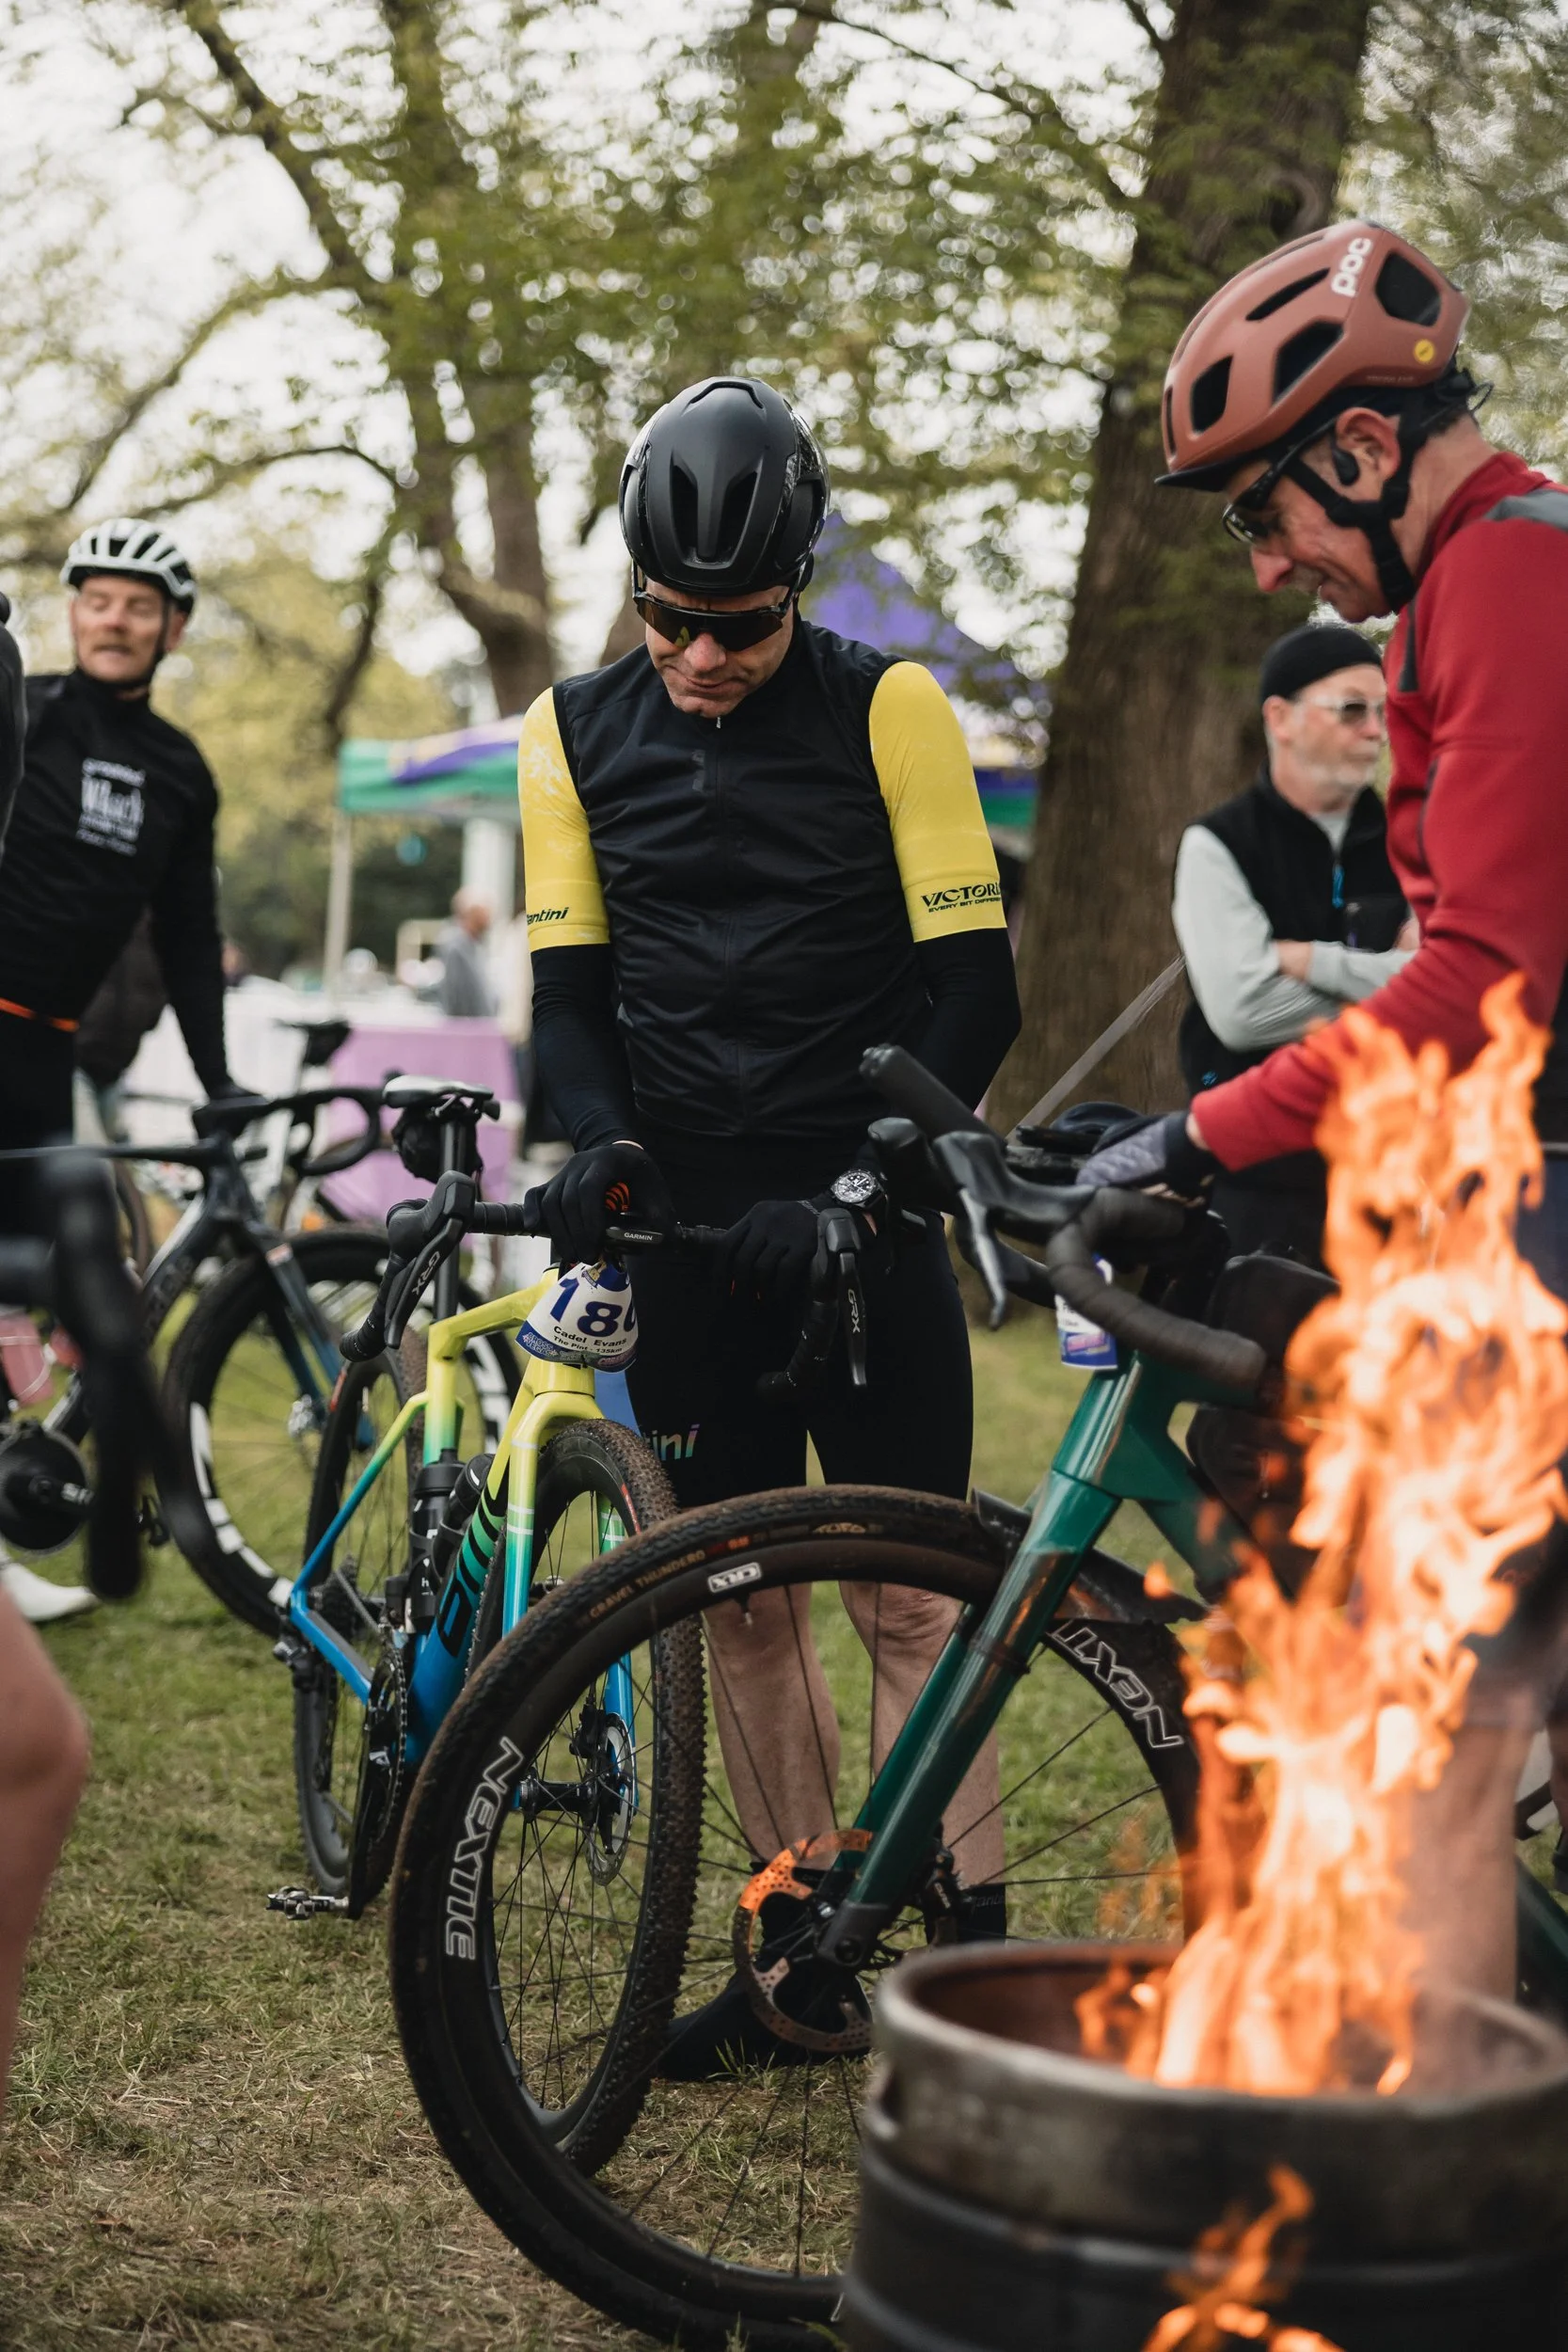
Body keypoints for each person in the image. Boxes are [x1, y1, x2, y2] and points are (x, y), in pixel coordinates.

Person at [1077, 216, 1568, 1998]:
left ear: (1360, 447)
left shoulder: (1502, 574)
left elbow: (1481, 981)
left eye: (1261, 514)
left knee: (1434, 1717)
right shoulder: (1493, 569)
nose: (1272, 566)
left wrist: (1190, 1132)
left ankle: (1426, 2124)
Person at [520, 375, 1021, 2065]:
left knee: (907, 1599)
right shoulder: (567, 730)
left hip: (855, 1208)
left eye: (734, 626)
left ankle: (967, 1972)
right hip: (691, 1232)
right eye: (666, 618)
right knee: (738, 1601)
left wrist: (863, 1185)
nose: (697, 656)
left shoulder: (892, 707)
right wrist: (601, 1141)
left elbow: (976, 992)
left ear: (795, 587)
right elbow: (569, 999)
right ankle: (796, 1968)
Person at [0, 519, 236, 1624]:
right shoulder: (29, 708)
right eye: (97, 598)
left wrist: (220, 1082)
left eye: (140, 605)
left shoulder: (182, 773)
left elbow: (190, 940)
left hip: (46, 1052)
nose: (115, 619)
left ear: (172, 629)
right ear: (72, 611)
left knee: (22, 1295)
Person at [1174, 620, 1414, 1263]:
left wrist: (1308, 960)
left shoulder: (1417, 842)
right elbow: (1241, 1013)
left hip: (1395, 1170)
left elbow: (1458, 981)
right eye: (1352, 710)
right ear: (1280, 718)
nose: (1375, 730)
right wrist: (1392, 978)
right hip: (1255, 1175)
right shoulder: (1217, 845)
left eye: (1383, 711)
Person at [432, 888, 498, 1018]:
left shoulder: (474, 944)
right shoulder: (455, 947)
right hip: (465, 1026)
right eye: (485, 911)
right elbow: (454, 996)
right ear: (472, 913)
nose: (490, 917)